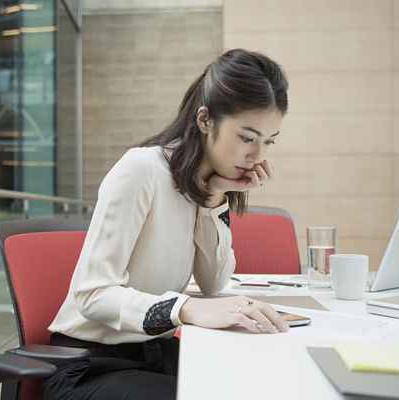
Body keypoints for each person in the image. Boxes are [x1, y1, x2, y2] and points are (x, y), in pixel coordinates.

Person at [44, 49, 290, 400]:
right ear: (205, 120)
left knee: (262, 383)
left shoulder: (202, 187)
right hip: (89, 366)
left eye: (268, 142)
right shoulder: (141, 170)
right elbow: (92, 293)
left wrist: (214, 197)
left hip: (152, 358)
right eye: (247, 138)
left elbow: (213, 282)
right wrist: (183, 308)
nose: (257, 156)